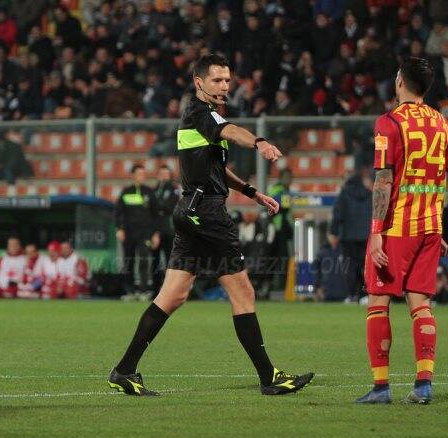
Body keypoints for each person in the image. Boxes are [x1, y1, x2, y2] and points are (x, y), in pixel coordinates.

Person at [107, 52, 313, 396]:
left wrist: (252, 192)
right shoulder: (201, 113)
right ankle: (269, 377)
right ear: (199, 82)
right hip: (208, 214)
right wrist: (259, 141)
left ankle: (124, 370)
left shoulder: (204, 117)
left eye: (228, 80)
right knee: (243, 292)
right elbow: (230, 132)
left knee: (172, 295)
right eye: (217, 80)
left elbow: (214, 169)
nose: (224, 86)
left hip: (190, 210)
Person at [356, 57, 448, 405]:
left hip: (397, 226)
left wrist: (376, 230)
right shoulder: (443, 124)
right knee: (420, 304)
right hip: (430, 224)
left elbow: (383, 180)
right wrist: (437, 227)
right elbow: (440, 179)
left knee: (378, 303)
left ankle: (381, 388)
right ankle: (423, 384)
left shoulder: (389, 122)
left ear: (399, 81)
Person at [115, 164, 160, 299]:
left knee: (144, 260)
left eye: (143, 174)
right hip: (128, 232)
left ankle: (144, 291)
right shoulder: (126, 192)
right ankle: (129, 291)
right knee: (128, 261)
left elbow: (156, 214)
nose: (142, 176)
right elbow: (118, 212)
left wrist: (156, 233)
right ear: (133, 175)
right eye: (139, 174)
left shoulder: (149, 192)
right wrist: (119, 229)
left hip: (145, 233)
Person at [329, 169, 373, 303]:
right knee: (365, 267)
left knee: (349, 267)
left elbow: (338, 214)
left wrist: (333, 232)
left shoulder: (344, 194)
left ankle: (352, 295)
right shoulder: (369, 194)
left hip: (348, 237)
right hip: (366, 237)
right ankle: (365, 295)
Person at [151, 164, 180, 287]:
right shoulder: (153, 190)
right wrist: (159, 208)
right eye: (161, 174)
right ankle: (155, 289)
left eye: (166, 174)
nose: (163, 176)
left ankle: (170, 287)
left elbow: (170, 206)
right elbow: (151, 209)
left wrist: (158, 207)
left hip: (169, 231)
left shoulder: (174, 189)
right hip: (155, 231)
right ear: (158, 175)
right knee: (155, 260)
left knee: (170, 260)